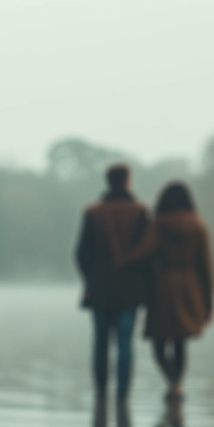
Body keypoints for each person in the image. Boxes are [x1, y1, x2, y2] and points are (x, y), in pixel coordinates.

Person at [121, 181, 214, 400]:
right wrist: (209, 305)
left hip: (163, 287)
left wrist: (122, 260)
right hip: (189, 287)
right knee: (181, 341)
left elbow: (143, 253)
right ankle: (177, 385)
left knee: (158, 340)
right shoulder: (199, 227)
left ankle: (170, 380)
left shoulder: (158, 225)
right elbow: (207, 269)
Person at [74, 163, 151, 402]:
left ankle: (100, 394)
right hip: (130, 291)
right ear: (128, 181)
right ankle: (122, 397)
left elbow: (80, 253)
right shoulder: (140, 212)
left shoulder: (93, 212)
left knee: (100, 344)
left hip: (99, 290)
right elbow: (147, 254)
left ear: (108, 181)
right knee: (125, 345)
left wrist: (91, 278)